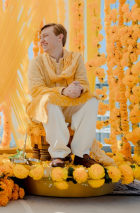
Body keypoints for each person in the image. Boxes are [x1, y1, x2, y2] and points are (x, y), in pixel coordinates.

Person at [27, 23, 100, 168]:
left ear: (60, 37)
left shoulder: (75, 58)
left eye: (45, 36)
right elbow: (36, 90)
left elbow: (85, 84)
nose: (41, 40)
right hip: (44, 109)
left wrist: (78, 90)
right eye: (40, 37)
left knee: (91, 100)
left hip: (68, 106)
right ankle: (58, 155)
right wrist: (63, 91)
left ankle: (81, 154)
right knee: (50, 99)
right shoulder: (36, 62)